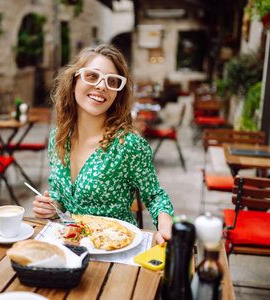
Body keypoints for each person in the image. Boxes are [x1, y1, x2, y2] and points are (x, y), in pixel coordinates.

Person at [32, 44, 173, 244]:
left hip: (115, 249)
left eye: (112, 81)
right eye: (92, 76)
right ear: (74, 81)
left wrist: (167, 230)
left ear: (118, 93)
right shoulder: (58, 139)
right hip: (72, 243)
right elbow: (59, 193)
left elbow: (155, 196)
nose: (101, 86)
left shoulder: (128, 145)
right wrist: (50, 205)